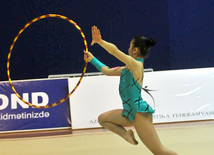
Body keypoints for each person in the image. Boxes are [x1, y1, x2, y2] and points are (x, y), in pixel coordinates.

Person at [84, 26, 177, 155]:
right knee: (103, 119)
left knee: (159, 151)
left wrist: (100, 42)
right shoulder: (126, 69)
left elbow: (115, 51)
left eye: (129, 46)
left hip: (139, 113)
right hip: (129, 112)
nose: (127, 49)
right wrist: (92, 59)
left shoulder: (136, 65)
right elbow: (106, 71)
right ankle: (126, 134)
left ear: (135, 50)